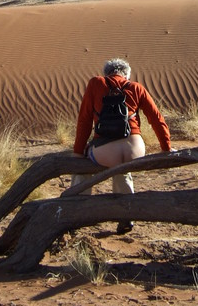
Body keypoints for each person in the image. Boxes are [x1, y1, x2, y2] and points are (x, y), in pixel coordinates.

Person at [73, 57, 172, 234]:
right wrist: (166, 148)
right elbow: (157, 119)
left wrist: (78, 152)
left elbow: (85, 120)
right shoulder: (136, 88)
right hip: (134, 150)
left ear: (107, 73)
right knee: (123, 170)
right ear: (126, 75)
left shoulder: (96, 83)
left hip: (105, 152)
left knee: (83, 169)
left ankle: (78, 211)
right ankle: (127, 216)